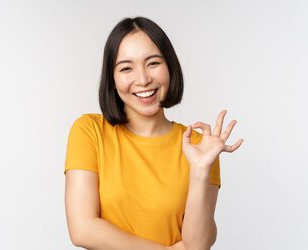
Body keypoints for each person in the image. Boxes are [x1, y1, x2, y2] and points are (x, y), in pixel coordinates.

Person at [64, 16, 243, 250]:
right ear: (112, 78)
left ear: (170, 67)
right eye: (126, 68)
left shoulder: (200, 147)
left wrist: (200, 170)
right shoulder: (89, 131)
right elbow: (82, 230)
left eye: (153, 63)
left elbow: (197, 246)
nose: (143, 79)